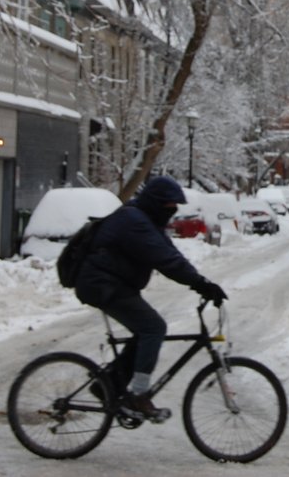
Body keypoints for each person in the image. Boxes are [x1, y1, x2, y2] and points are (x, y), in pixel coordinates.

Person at [74, 176, 228, 422]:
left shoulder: (145, 219)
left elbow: (170, 253)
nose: (173, 212)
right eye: (169, 207)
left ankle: (108, 385)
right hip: (102, 285)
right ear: (156, 203)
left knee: (144, 332)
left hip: (112, 284)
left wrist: (202, 283)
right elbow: (166, 260)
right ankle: (139, 394)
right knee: (153, 328)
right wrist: (200, 284)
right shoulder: (135, 221)